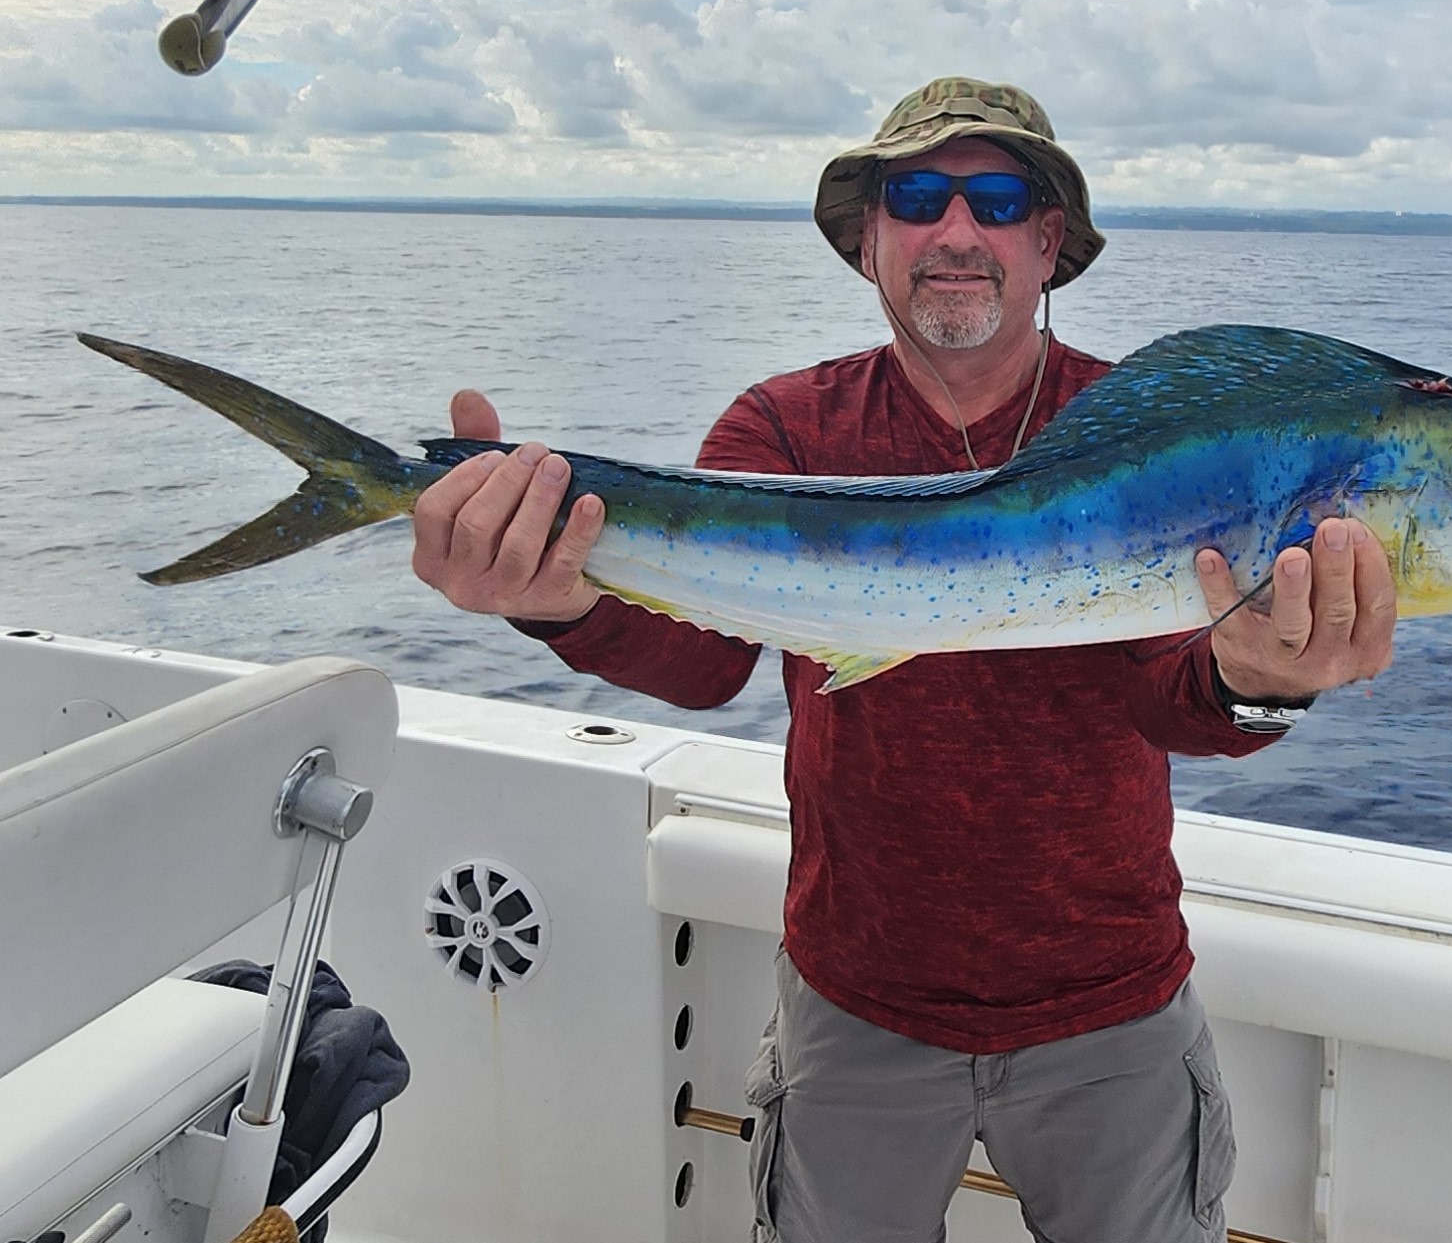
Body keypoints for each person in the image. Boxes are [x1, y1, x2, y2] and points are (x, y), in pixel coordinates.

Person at [410, 77, 1396, 1243]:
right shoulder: (786, 427)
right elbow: (702, 663)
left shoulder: (1148, 434)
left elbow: (1171, 697)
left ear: (1047, 241)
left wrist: (1264, 680)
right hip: (854, 1002)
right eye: (918, 198)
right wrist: (559, 605)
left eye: (998, 200)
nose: (956, 230)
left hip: (1112, 1007)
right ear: (870, 240)